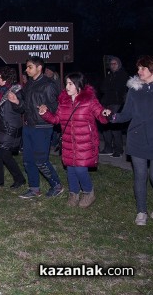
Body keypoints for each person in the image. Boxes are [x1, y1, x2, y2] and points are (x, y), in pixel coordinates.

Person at [39, 72, 108, 207]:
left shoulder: (89, 100)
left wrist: (105, 113)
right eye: (66, 83)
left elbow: (100, 115)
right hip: (68, 141)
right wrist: (45, 113)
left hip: (86, 142)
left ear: (79, 85)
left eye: (70, 83)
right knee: (70, 169)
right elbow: (56, 119)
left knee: (80, 169)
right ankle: (73, 194)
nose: (67, 86)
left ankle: (88, 193)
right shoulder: (63, 102)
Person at [105, 55, 153, 225]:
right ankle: (141, 211)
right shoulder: (134, 90)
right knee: (140, 176)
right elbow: (126, 114)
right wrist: (112, 117)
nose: (139, 71)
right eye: (139, 68)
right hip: (137, 139)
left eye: (143, 68)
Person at [8, 57, 64, 199]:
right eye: (26, 67)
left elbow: (57, 108)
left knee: (41, 160)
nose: (26, 70)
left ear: (39, 68)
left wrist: (47, 109)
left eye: (30, 67)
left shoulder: (48, 85)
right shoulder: (29, 84)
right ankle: (34, 189)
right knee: (28, 160)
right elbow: (25, 107)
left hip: (42, 127)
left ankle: (57, 185)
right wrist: (16, 102)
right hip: (29, 126)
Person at [99, 56, 129, 158]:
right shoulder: (109, 75)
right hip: (106, 102)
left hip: (116, 103)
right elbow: (102, 87)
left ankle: (118, 149)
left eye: (115, 63)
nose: (113, 66)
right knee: (105, 125)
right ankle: (108, 148)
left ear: (119, 64)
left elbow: (118, 88)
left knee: (115, 126)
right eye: (111, 64)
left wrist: (110, 88)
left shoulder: (123, 75)